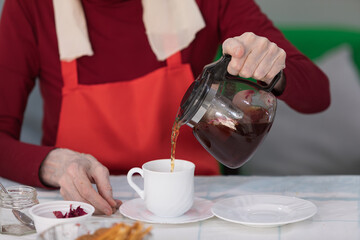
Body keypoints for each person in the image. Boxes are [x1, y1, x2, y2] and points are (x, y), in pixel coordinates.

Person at [0, 0, 330, 215]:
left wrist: (272, 69)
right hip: (85, 213)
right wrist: (51, 165)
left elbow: (318, 93)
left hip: (197, 209)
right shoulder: (30, 8)